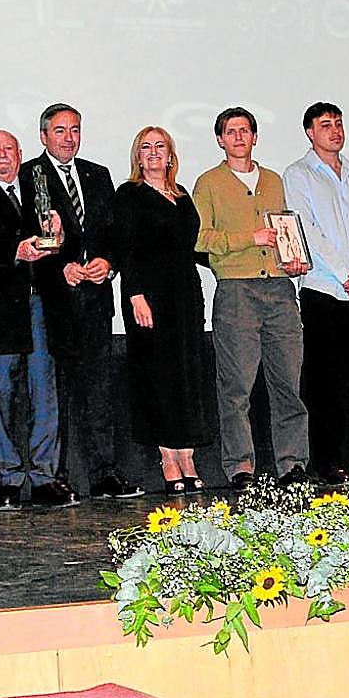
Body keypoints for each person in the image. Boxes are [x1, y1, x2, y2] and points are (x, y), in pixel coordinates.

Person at [19, 104, 143, 500]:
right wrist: (60, 269)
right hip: (54, 303)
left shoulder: (97, 174)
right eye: (59, 131)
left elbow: (112, 233)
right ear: (43, 136)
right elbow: (25, 235)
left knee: (98, 392)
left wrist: (109, 262)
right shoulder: (29, 176)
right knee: (56, 395)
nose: (68, 138)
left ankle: (104, 474)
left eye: (74, 130)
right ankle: (57, 475)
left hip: (95, 300)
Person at [0, 130, 74, 509]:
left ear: (21, 154)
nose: (2, 156)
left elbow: (68, 243)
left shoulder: (43, 193)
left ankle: (44, 478)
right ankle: (7, 478)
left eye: (8, 149)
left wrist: (60, 233)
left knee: (45, 395)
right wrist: (14, 250)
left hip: (42, 306)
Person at [193, 107, 310, 491]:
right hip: (237, 290)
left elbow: (287, 230)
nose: (239, 137)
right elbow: (199, 239)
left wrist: (294, 260)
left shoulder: (274, 180)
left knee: (288, 386)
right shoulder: (209, 183)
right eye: (231, 131)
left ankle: (293, 464)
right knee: (236, 388)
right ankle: (241, 467)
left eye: (245, 131)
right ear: (220, 140)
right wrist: (250, 238)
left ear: (255, 137)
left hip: (280, 290)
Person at [284, 102, 349, 483]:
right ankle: (328, 461)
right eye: (326, 125)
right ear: (310, 133)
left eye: (339, 123)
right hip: (325, 293)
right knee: (325, 384)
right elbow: (306, 231)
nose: (335, 131)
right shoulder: (298, 175)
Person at [112, 126, 210, 494]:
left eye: (160, 147)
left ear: (171, 155)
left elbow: (193, 246)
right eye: (146, 147)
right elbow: (125, 248)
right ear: (138, 156)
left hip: (185, 294)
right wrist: (136, 294)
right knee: (159, 377)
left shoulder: (183, 196)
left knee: (187, 375)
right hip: (148, 297)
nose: (153, 153)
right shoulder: (129, 195)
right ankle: (168, 456)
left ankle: (188, 455)